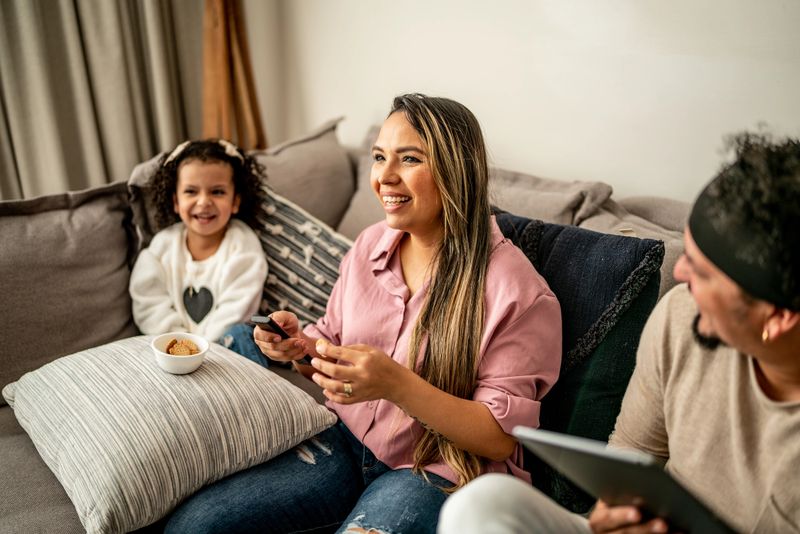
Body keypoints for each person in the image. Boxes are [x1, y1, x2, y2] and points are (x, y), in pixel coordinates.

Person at [163, 94, 562, 534]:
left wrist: (396, 385)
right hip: (345, 443)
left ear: (456, 169)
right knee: (195, 526)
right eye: (378, 157)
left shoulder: (518, 293)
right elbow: (331, 341)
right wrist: (299, 350)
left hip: (435, 473)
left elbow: (498, 437)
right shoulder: (370, 244)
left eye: (409, 159)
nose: (383, 178)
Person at [437, 132, 800, 533]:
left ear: (778, 317)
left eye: (702, 271)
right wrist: (610, 517)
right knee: (483, 503)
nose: (679, 273)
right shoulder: (681, 318)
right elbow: (633, 456)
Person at [129, 139, 269, 364]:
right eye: (191, 191)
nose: (204, 202)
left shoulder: (243, 245)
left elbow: (238, 307)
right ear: (176, 201)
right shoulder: (162, 247)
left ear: (235, 201)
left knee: (242, 335)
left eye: (217, 192)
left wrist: (201, 350)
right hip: (172, 350)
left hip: (225, 351)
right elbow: (149, 302)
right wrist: (182, 346)